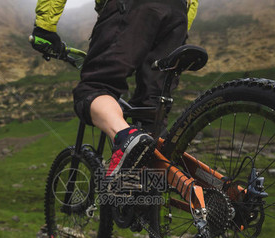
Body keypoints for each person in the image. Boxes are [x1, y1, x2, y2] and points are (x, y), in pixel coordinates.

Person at [31, 0, 199, 178]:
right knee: (152, 109)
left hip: (132, 6)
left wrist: (45, 27)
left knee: (94, 88)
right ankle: (143, 190)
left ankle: (125, 137)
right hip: (178, 13)